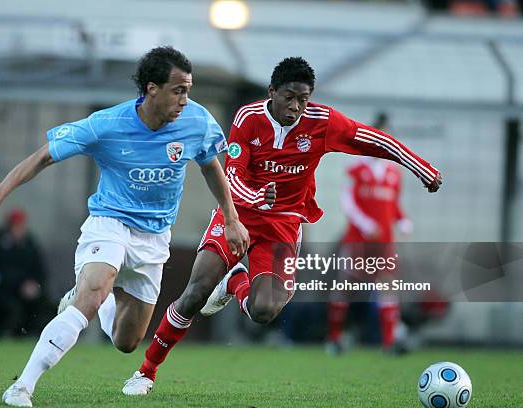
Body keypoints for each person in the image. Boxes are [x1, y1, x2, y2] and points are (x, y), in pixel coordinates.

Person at [122, 57, 442, 396]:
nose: (296, 107)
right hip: (238, 214)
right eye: (289, 97)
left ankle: (235, 284)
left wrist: (421, 168)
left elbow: (373, 139)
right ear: (272, 92)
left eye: (303, 99)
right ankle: (146, 372)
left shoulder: (322, 122)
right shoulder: (248, 117)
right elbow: (232, 176)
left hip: (283, 226)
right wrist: (259, 197)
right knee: (195, 293)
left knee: (263, 311)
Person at [0, 46, 249, 407]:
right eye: (178, 90)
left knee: (126, 342)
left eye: (188, 90)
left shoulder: (197, 121)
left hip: (154, 237)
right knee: (91, 296)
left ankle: (97, 298)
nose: (185, 99)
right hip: (110, 223)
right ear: (152, 89)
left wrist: (231, 217)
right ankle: (22, 386)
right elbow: (42, 156)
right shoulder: (107, 125)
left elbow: (211, 166)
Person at [326, 113, 414, 355]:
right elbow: (348, 202)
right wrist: (365, 223)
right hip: (357, 240)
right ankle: (334, 338)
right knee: (344, 287)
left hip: (384, 241)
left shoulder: (394, 174)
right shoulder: (356, 169)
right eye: (380, 136)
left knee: (387, 288)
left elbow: (393, 204)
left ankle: (388, 343)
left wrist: (402, 219)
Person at [0, 208, 50, 337]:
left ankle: (33, 336)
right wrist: (2, 281)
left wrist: (34, 285)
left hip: (26, 290)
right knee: (11, 309)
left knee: (44, 305)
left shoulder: (30, 243)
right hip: (3, 290)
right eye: (15, 226)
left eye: (21, 226)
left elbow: (40, 270)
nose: (18, 229)